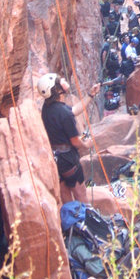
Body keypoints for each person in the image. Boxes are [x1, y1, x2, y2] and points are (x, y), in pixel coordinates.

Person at [37, 73, 100, 203]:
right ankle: (85, 219)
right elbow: (75, 141)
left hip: (56, 158)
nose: (64, 80)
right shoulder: (64, 115)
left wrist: (90, 95)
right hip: (68, 160)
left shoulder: (48, 107)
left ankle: (72, 219)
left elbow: (74, 110)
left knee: (65, 192)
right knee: (80, 193)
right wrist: (86, 144)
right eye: (60, 81)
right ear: (56, 89)